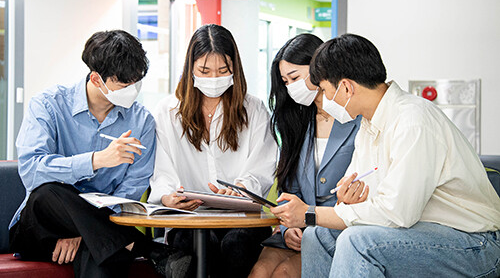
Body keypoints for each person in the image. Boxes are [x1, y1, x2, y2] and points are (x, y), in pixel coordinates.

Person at [270, 33, 500, 278]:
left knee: (358, 242)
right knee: (317, 235)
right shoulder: (369, 126)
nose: (324, 100)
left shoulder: (413, 121)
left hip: (474, 243)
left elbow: (397, 212)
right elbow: (365, 198)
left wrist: (310, 213)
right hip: (420, 231)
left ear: (346, 87)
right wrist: (347, 199)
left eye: (326, 91)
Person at [9, 30, 185, 278]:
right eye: (123, 83)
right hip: (40, 227)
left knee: (100, 251)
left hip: (105, 229)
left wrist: (84, 230)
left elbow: (133, 187)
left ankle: (119, 242)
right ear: (95, 79)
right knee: (48, 191)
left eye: (136, 82)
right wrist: (97, 160)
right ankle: (147, 248)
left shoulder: (142, 121)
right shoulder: (48, 105)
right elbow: (31, 172)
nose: (131, 89)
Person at [148, 24, 277, 277]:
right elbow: (161, 169)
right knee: (195, 245)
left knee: (235, 244)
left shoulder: (253, 108)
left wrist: (240, 188)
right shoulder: (168, 111)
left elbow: (262, 165)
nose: (213, 78)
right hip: (187, 217)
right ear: (190, 69)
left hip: (241, 220)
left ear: (234, 70)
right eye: (204, 71)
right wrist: (167, 196)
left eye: (223, 70)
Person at [249, 34, 363, 278]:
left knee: (284, 273)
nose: (291, 87)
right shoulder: (296, 121)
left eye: (295, 78)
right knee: (260, 271)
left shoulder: (355, 118)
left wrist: (310, 218)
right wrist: (288, 227)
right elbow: (288, 188)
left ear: (319, 70)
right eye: (285, 81)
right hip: (297, 230)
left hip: (335, 231)